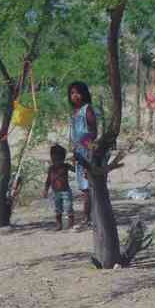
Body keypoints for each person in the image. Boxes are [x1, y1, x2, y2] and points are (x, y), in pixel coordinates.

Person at [68, 81, 99, 230]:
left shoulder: (87, 110)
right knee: (83, 187)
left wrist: (89, 151)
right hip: (79, 152)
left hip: (88, 151)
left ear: (84, 93)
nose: (75, 96)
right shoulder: (74, 112)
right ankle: (89, 217)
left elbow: (93, 132)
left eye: (77, 92)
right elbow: (74, 135)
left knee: (88, 187)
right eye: (72, 93)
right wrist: (75, 152)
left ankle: (88, 218)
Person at [43, 144, 75, 231]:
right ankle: (59, 225)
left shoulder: (66, 166)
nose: (56, 161)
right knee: (58, 209)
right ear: (52, 158)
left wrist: (74, 161)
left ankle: (71, 225)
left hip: (66, 191)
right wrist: (45, 190)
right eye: (54, 159)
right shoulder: (51, 168)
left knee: (69, 207)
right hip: (55, 192)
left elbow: (75, 169)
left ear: (63, 158)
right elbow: (48, 180)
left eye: (58, 159)